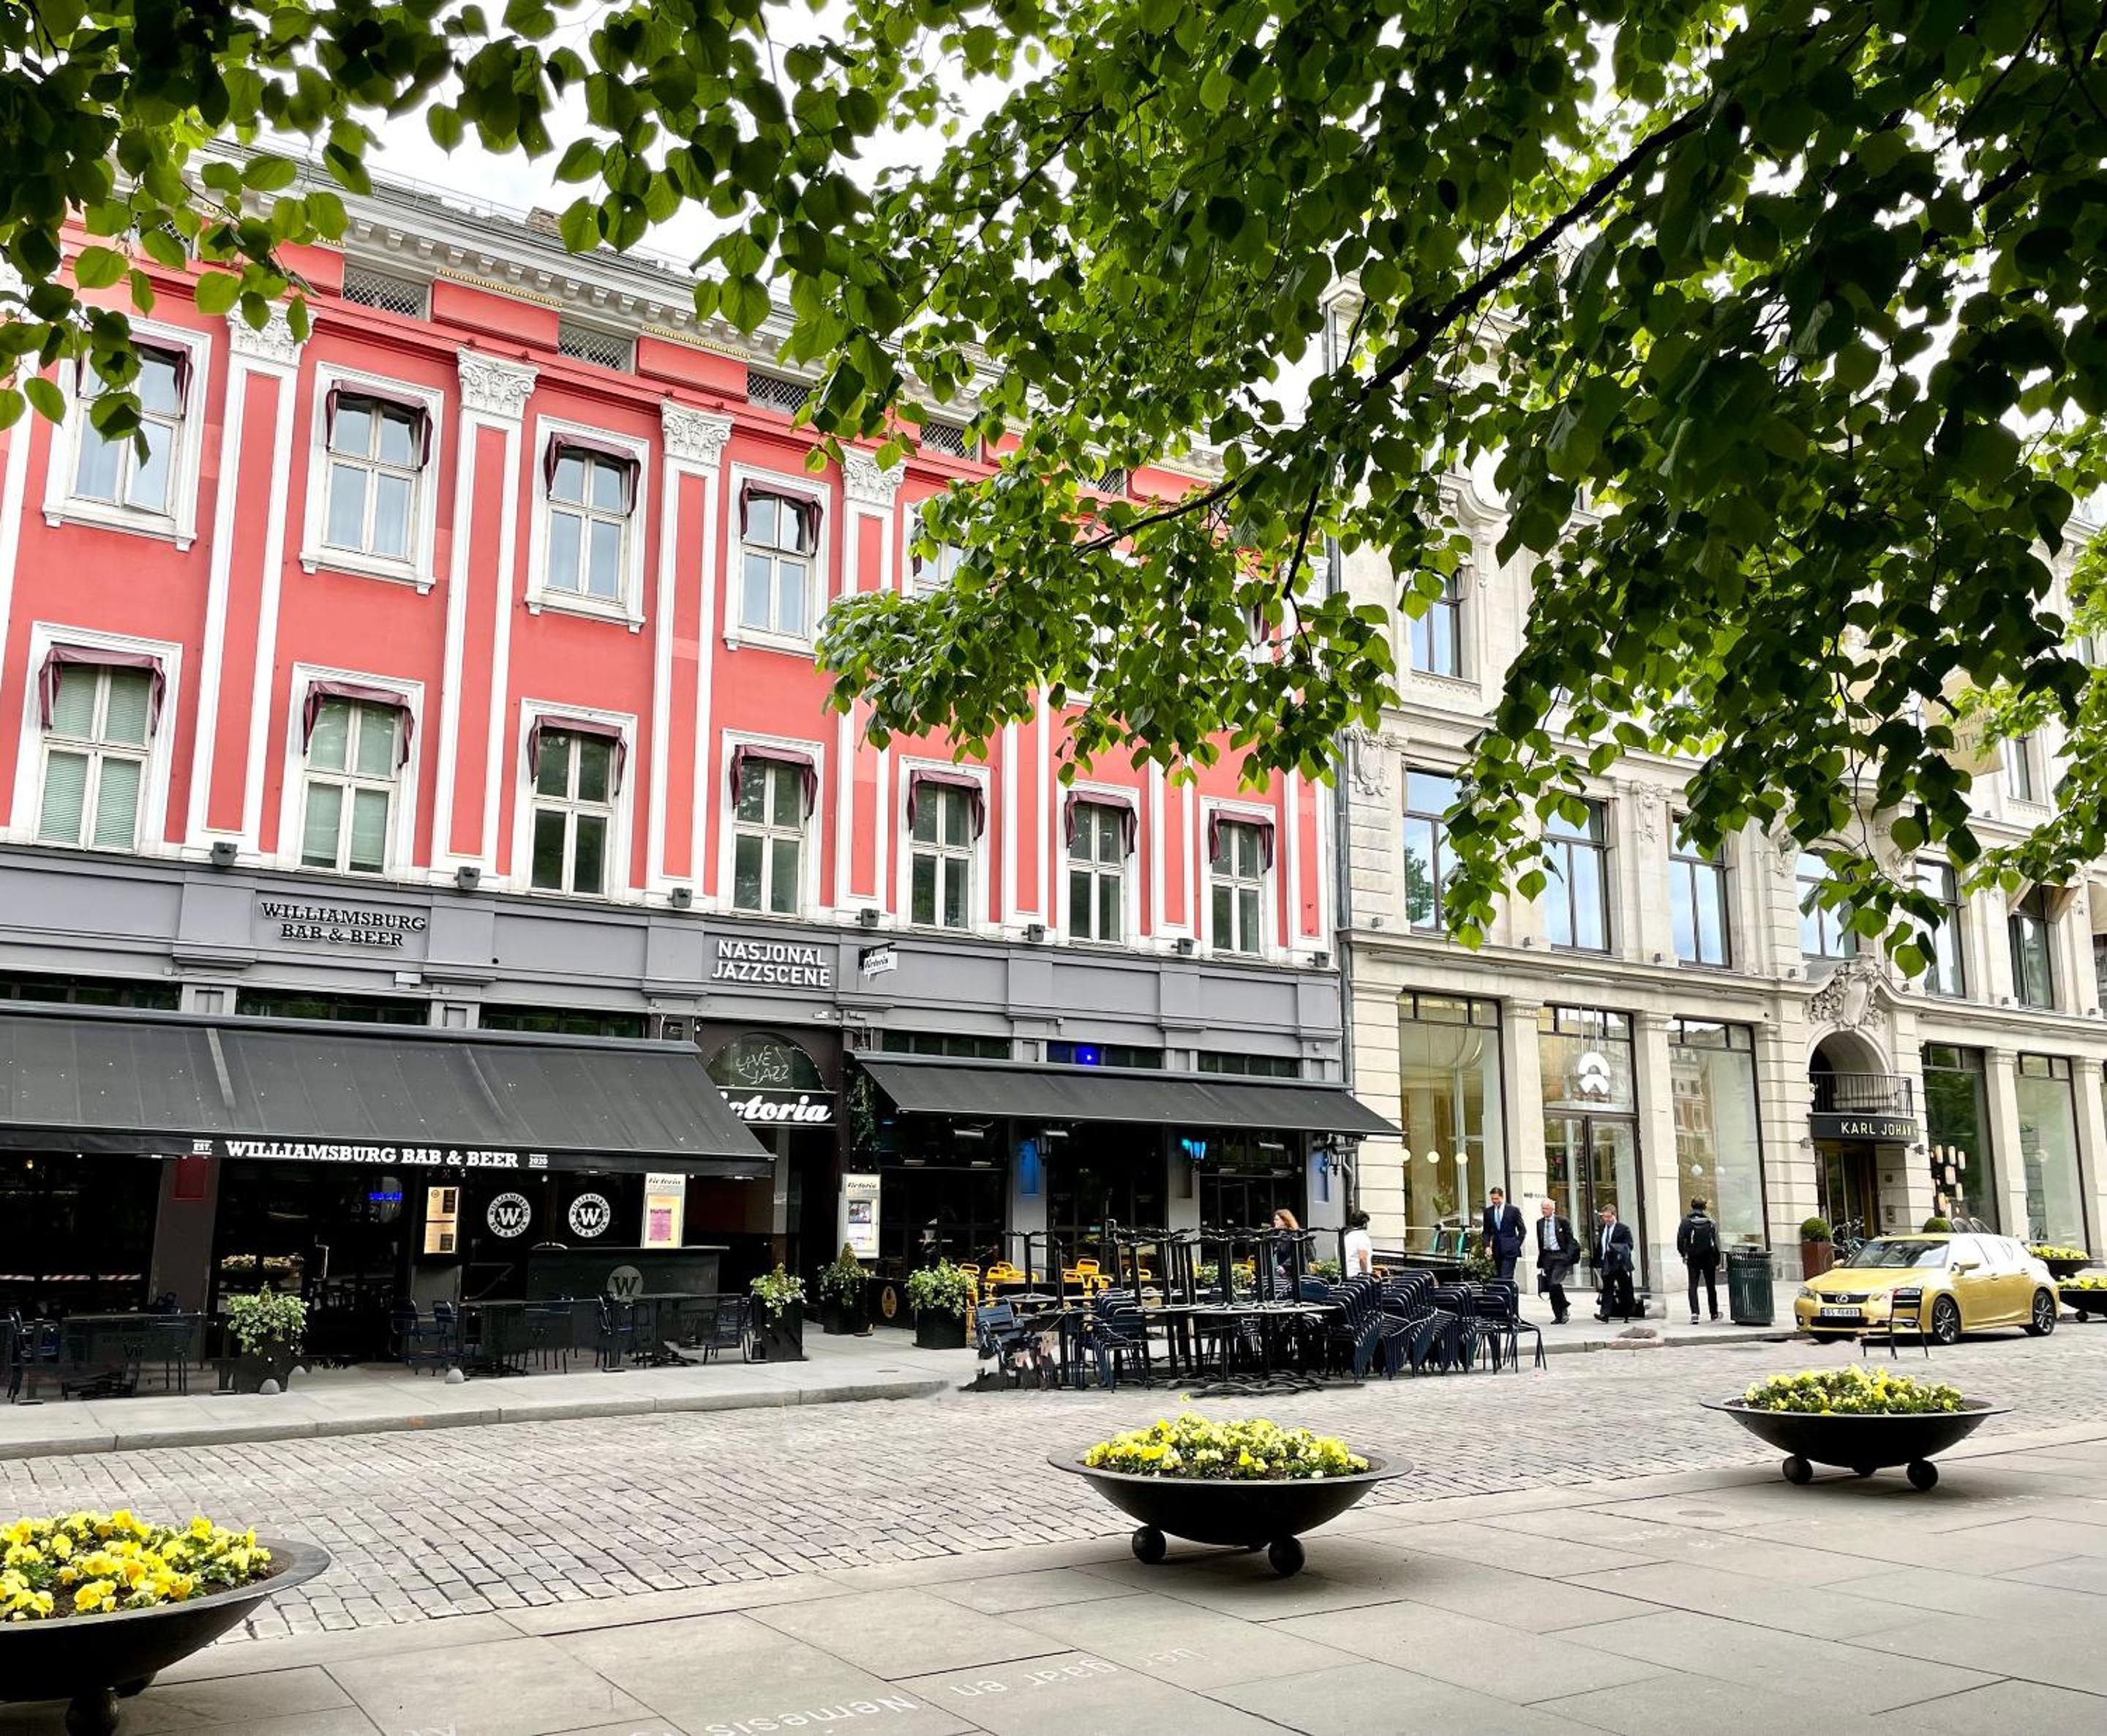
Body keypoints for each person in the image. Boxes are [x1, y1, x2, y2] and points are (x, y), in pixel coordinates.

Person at [1677, 1195, 1721, 1324]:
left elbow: (1680, 1240)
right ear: (1704, 1207)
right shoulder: (1711, 1222)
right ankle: (1714, 1313)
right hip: (1709, 1257)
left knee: (1693, 1285)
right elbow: (1716, 1243)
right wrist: (1717, 1260)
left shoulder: (1686, 1222)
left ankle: (1695, 1314)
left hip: (1693, 1258)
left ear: (1692, 1206)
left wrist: (1684, 1254)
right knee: (1711, 1286)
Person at [1536, 1197, 1577, 1324]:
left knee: (1555, 1283)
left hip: (1560, 1256)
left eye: (1546, 1208)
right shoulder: (1539, 1223)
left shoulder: (1562, 1221)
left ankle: (1563, 1308)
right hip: (1548, 1257)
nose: (1544, 1211)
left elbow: (1570, 1239)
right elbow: (1540, 1242)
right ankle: (1559, 1314)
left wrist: (1568, 1255)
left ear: (1552, 1209)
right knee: (1552, 1286)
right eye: (1542, 1208)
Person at [1595, 1204, 1637, 1323]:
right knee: (1607, 1288)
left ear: (1614, 1215)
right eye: (1604, 1217)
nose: (1606, 1220)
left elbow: (1629, 1245)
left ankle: (1627, 1311)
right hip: (1607, 1263)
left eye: (1608, 1217)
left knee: (1625, 1288)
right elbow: (1600, 1246)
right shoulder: (1602, 1228)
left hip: (1619, 1263)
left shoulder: (1623, 1229)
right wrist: (1597, 1260)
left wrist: (1615, 1248)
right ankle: (1605, 1313)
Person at [1480, 1187, 1525, 1283]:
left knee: (1506, 1276)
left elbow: (1522, 1230)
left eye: (1496, 1199)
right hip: (1497, 1250)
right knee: (1500, 1276)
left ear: (1502, 1197)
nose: (1494, 1201)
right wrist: (1487, 1246)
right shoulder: (1488, 1212)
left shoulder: (1513, 1210)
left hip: (1510, 1250)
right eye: (1492, 1199)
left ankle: (1507, 1292)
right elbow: (1486, 1231)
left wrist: (1516, 1244)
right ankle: (1509, 1293)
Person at [1342, 1209, 1375, 1278]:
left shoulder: (1347, 1237)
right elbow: (1363, 1258)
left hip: (1346, 1275)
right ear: (1365, 1223)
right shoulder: (1362, 1237)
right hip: (1358, 1276)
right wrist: (1365, 1275)